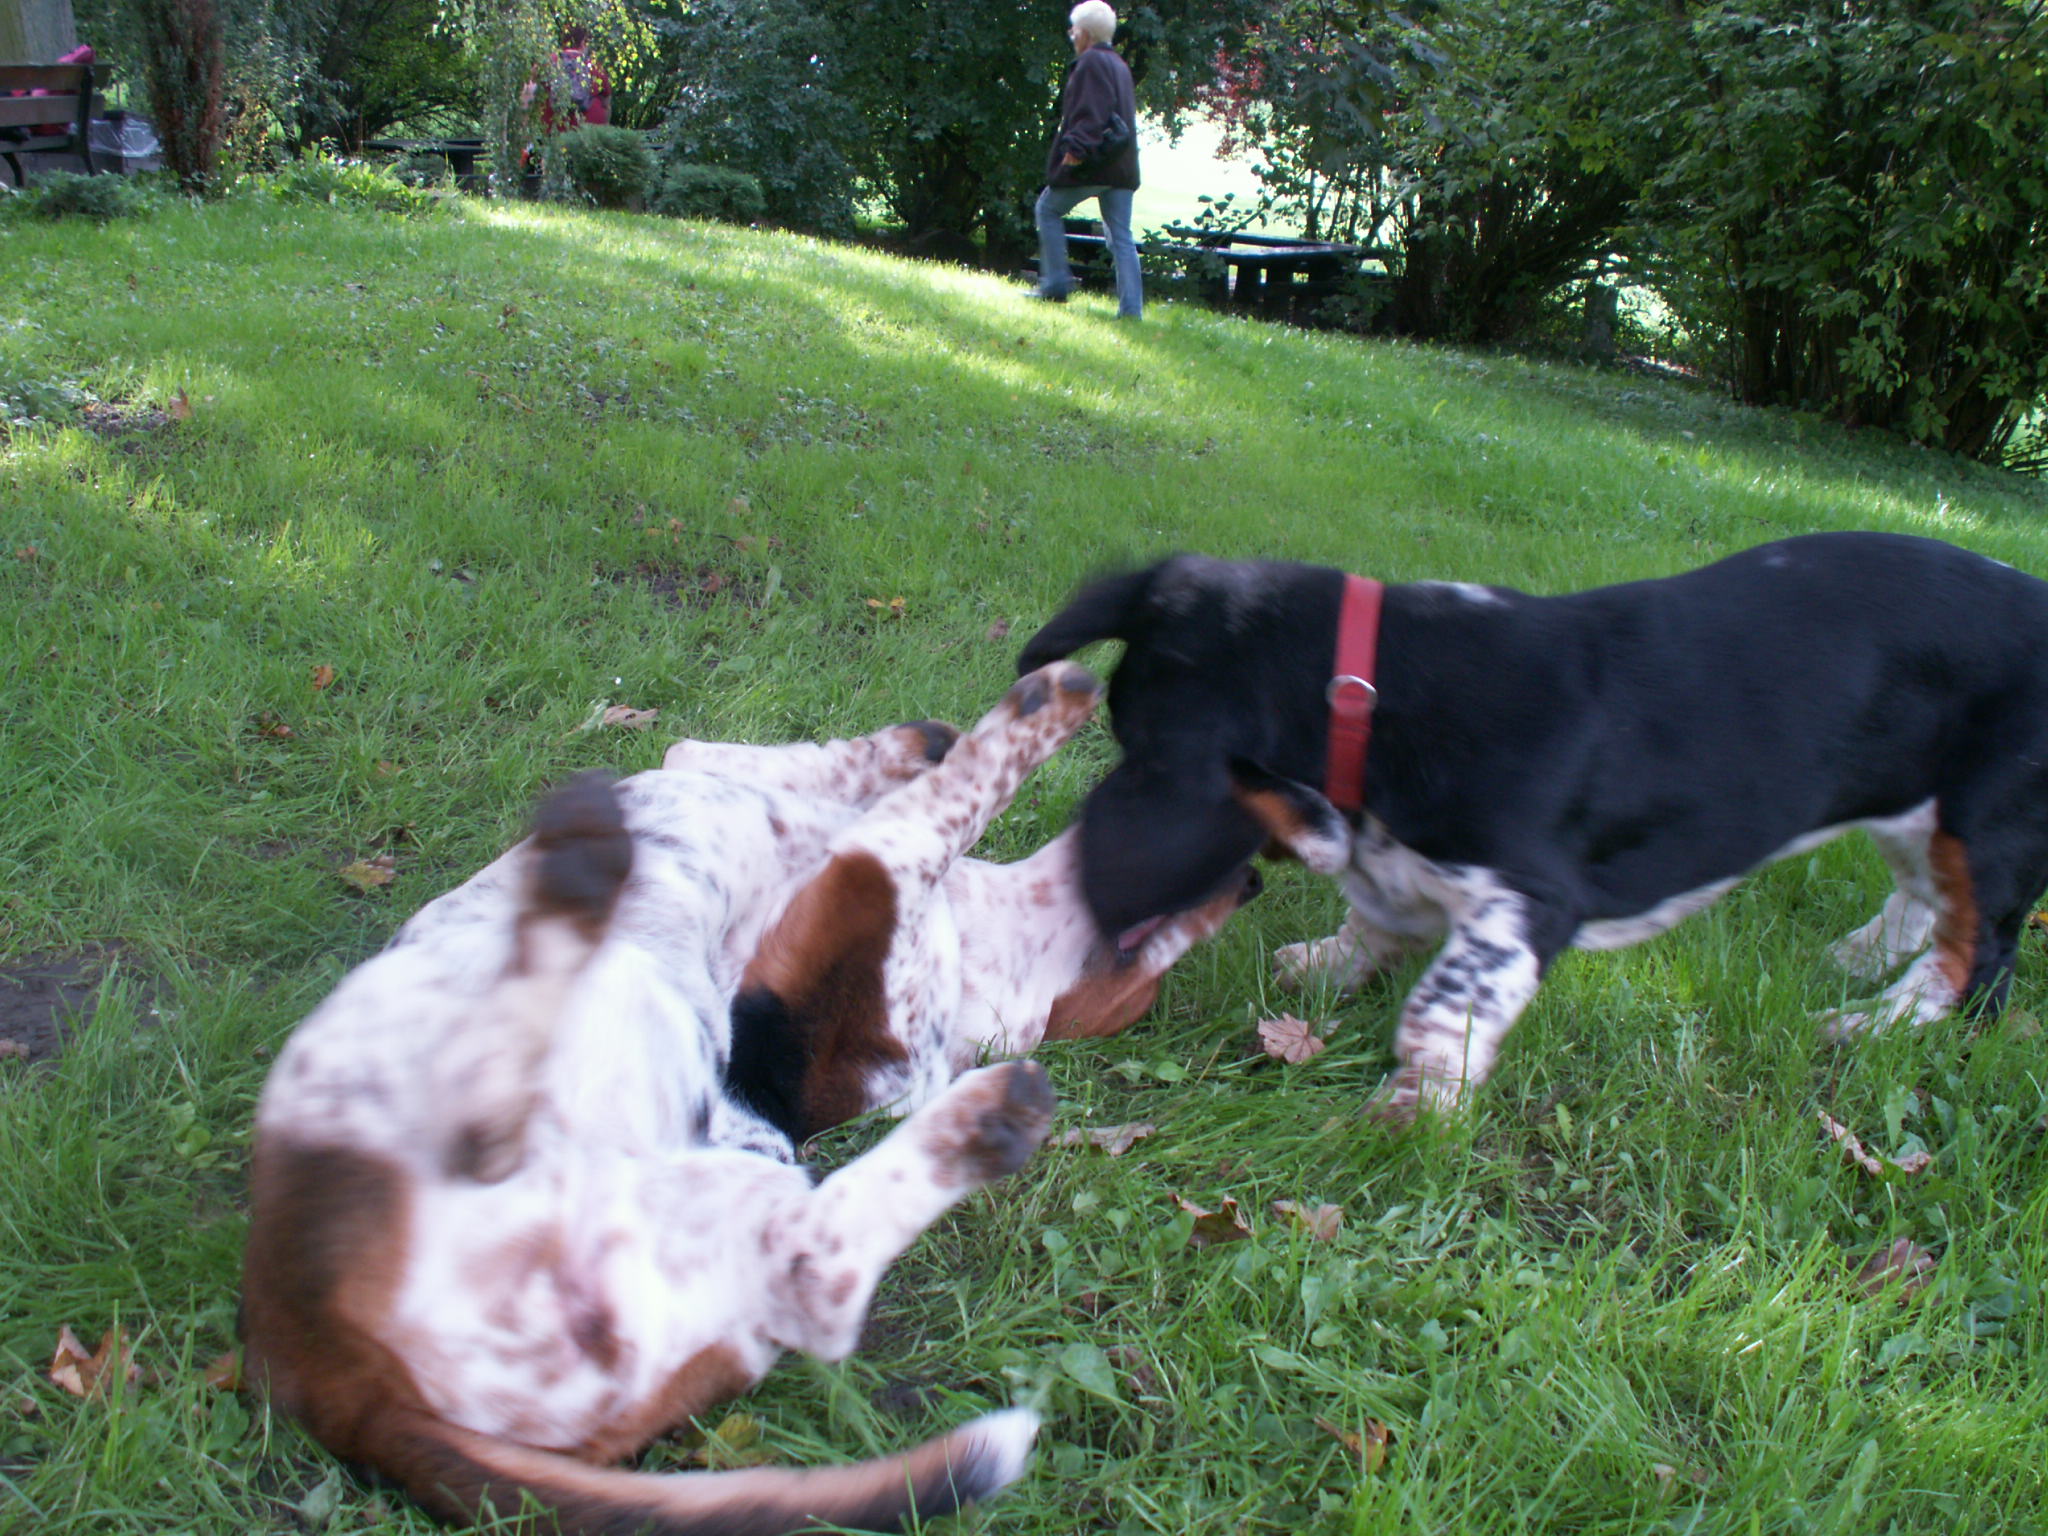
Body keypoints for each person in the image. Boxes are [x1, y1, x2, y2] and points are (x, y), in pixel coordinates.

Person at [1032, 2, 1142, 319]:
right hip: (1121, 167)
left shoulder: (1091, 61)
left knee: (1047, 208)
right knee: (1121, 237)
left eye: (1074, 29)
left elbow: (1091, 110)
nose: (1072, 35)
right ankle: (1131, 311)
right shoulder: (1119, 64)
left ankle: (1055, 285)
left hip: (1095, 162)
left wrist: (1076, 150)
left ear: (1085, 34)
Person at [521, 25, 612, 136]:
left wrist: (524, 125)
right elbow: (606, 103)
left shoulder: (547, 62)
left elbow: (528, 89)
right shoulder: (594, 67)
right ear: (583, 42)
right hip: (589, 135)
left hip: (553, 132)